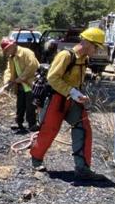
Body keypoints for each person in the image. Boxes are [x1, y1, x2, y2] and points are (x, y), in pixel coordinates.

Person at [29, 27, 106, 180]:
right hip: (56, 98)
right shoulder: (65, 56)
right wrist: (71, 91)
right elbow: (53, 78)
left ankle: (82, 168)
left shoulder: (84, 59)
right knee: (49, 130)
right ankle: (36, 161)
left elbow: (77, 80)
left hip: (73, 100)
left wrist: (78, 94)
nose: (97, 50)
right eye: (96, 46)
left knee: (84, 129)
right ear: (87, 43)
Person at [1, 38, 39, 133]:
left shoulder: (26, 52)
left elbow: (32, 66)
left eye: (8, 48)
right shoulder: (11, 57)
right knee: (20, 104)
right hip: (20, 85)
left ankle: (32, 124)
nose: (8, 51)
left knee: (30, 105)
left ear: (14, 44)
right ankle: (19, 123)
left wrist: (21, 78)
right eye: (6, 50)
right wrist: (7, 81)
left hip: (31, 83)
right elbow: (9, 70)